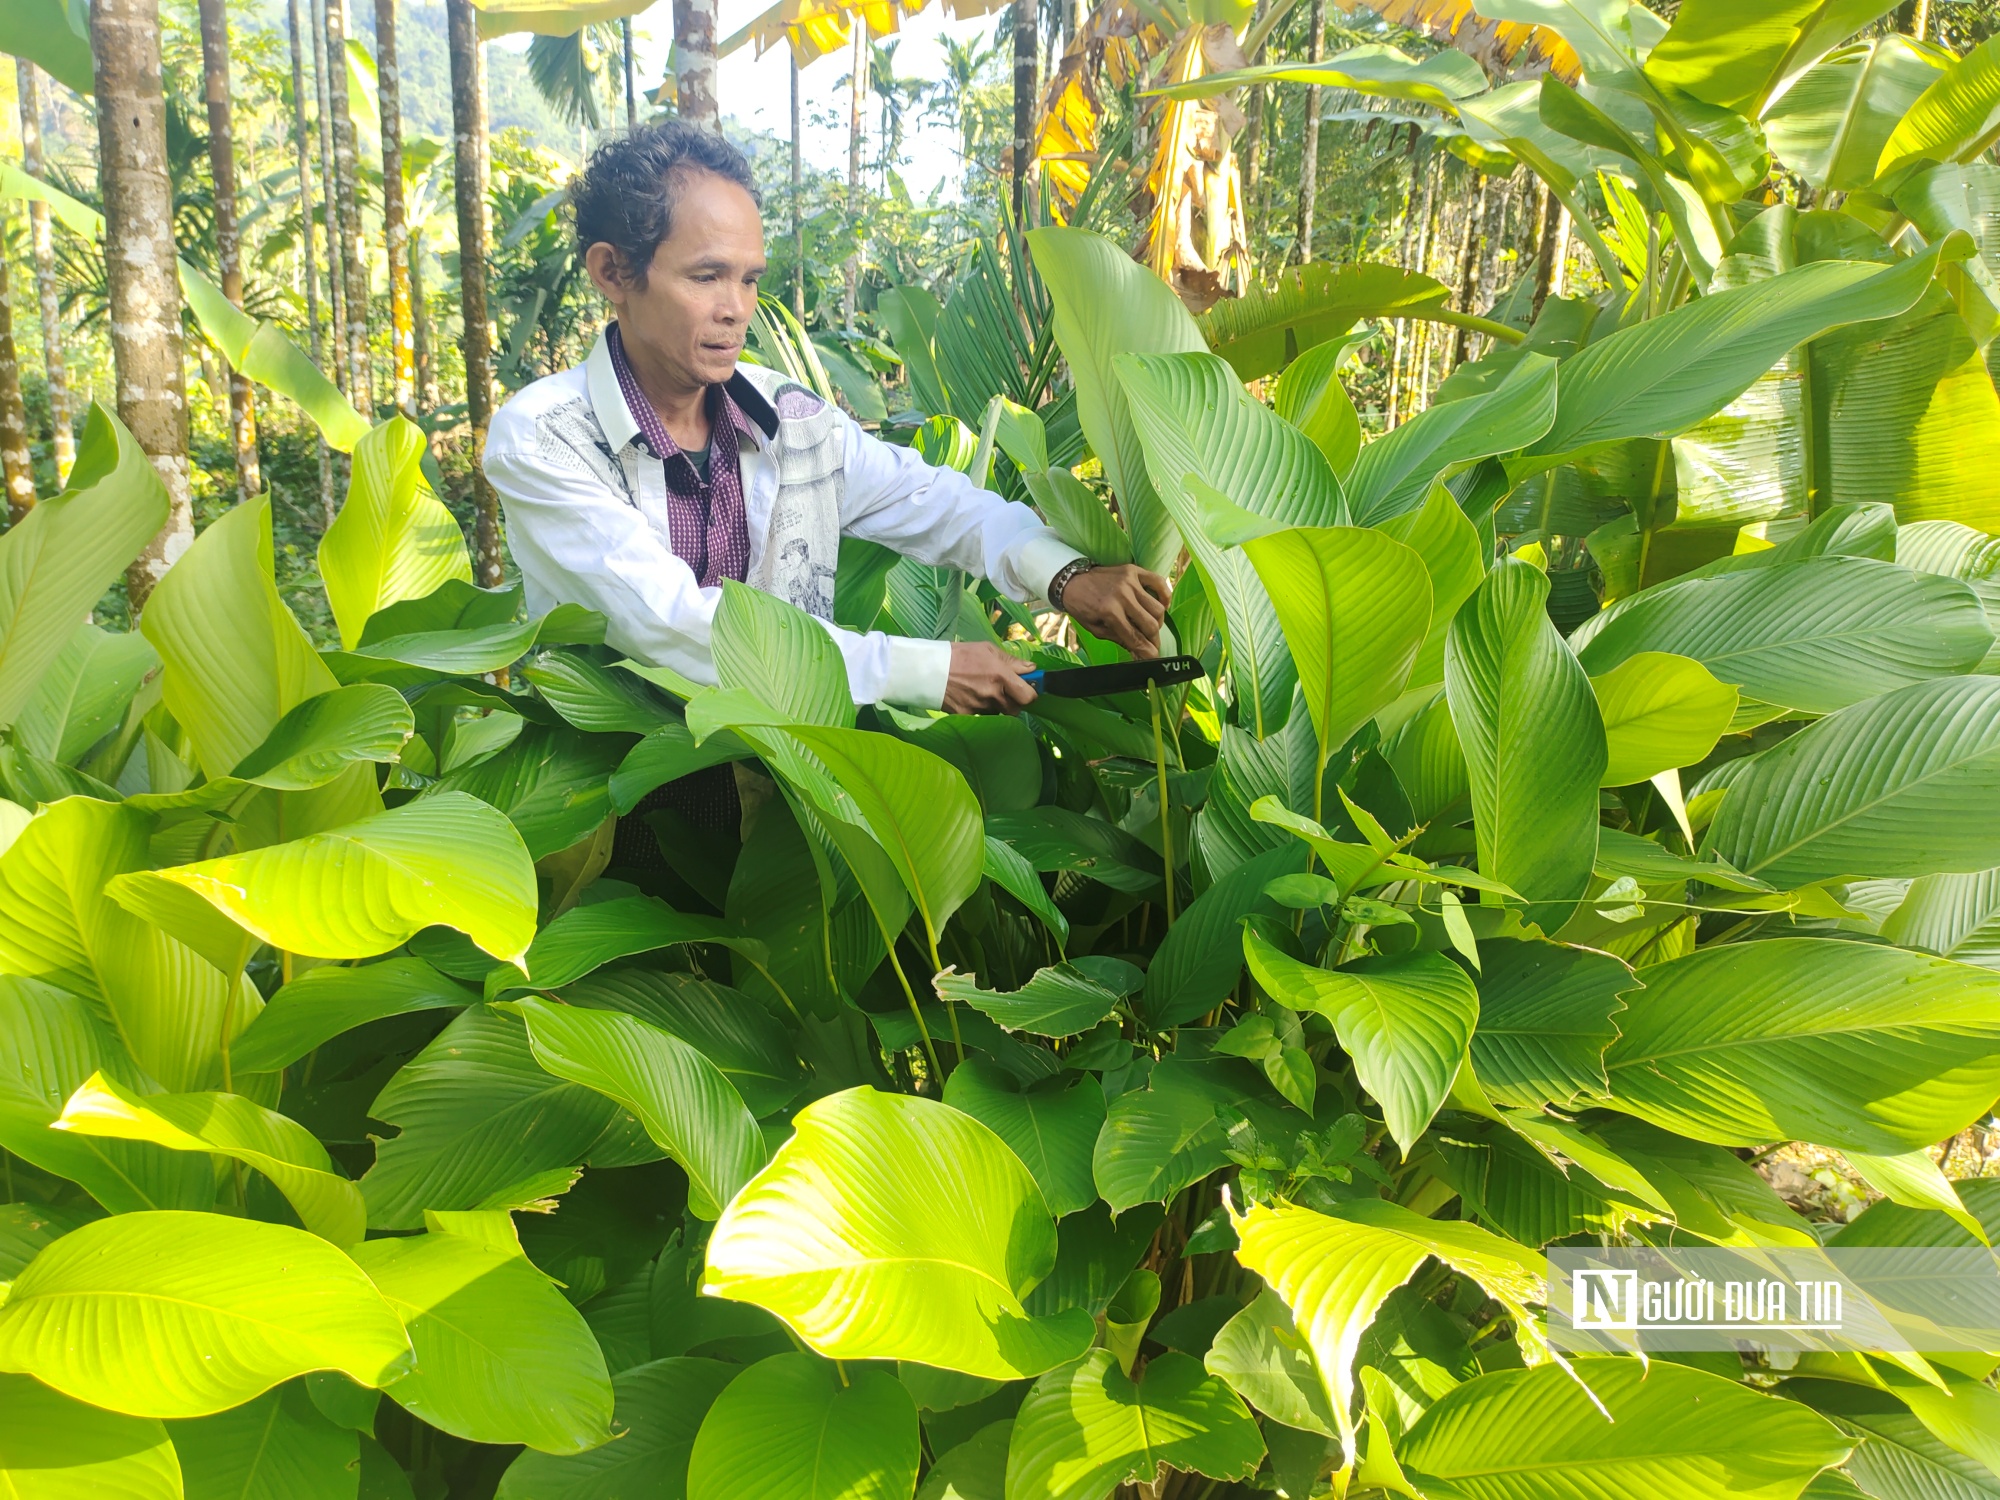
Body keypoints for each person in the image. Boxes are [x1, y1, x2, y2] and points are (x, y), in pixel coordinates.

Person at [483, 122, 1171, 726]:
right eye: (707, 277)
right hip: (620, 826)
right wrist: (926, 671)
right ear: (613, 271)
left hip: (791, 809)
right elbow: (668, 623)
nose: (736, 308)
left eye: (750, 279)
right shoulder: (546, 438)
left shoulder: (789, 419)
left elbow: (927, 500)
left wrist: (1064, 575)